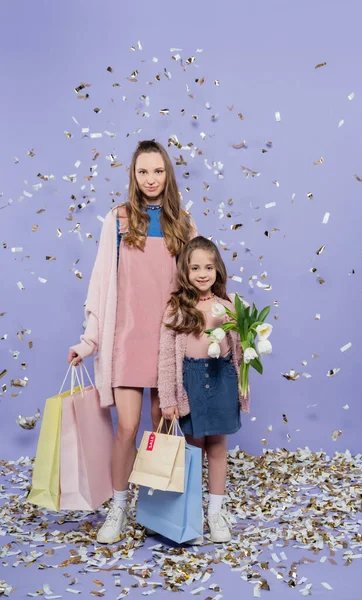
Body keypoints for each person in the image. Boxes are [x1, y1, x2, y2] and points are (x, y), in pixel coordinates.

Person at [68, 139, 197, 544]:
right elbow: (101, 283)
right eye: (143, 171)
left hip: (168, 342)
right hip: (126, 339)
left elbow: (198, 282)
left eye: (158, 171)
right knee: (127, 427)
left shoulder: (185, 223)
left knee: (162, 428)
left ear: (167, 174)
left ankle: (158, 508)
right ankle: (119, 508)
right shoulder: (118, 220)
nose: (151, 179)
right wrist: (89, 342)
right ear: (133, 176)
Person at [158, 236, 249, 543]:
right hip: (190, 381)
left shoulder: (228, 307)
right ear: (185, 270)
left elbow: (241, 351)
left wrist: (247, 327)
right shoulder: (176, 309)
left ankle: (216, 512)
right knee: (194, 448)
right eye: (195, 267)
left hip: (221, 377)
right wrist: (168, 398)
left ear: (217, 270)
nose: (202, 273)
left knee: (218, 447)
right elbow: (167, 358)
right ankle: (193, 513)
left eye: (208, 267)